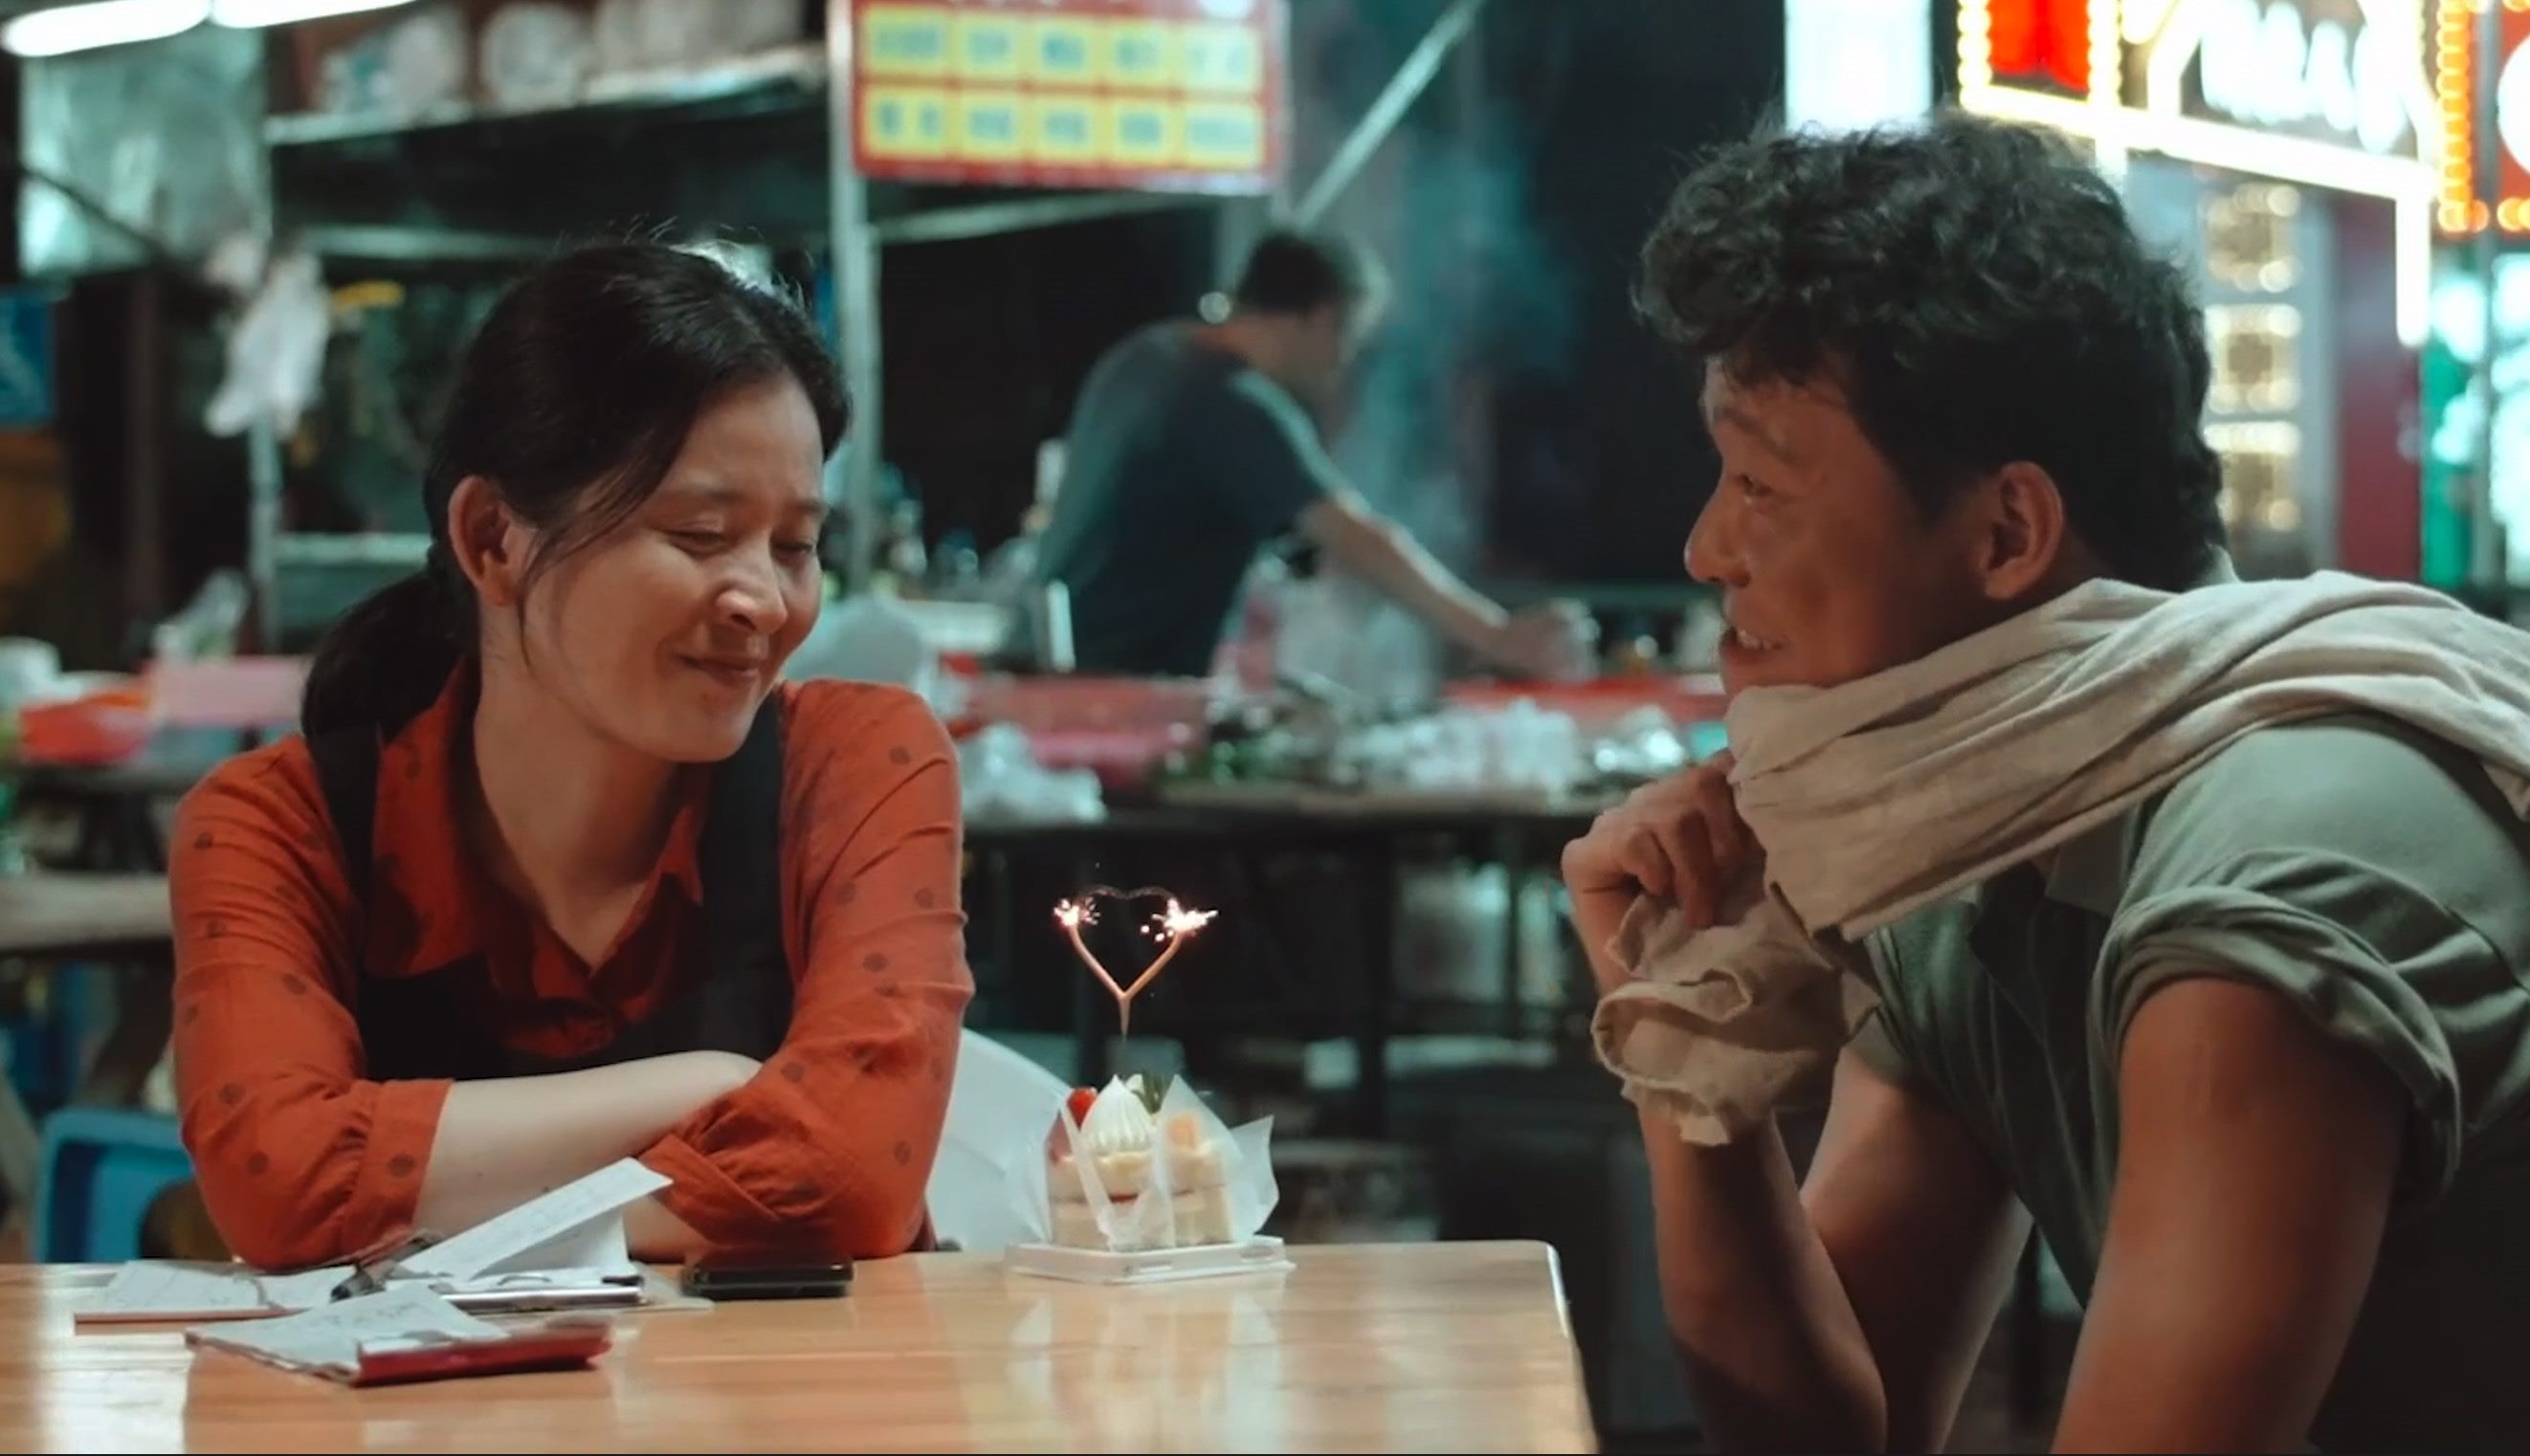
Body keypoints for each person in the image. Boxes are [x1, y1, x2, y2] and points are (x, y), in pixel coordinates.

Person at [1564, 115, 2530, 1454]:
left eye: (1762, 486)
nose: (1706, 548)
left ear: (2008, 531)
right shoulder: (1983, 834)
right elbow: (1841, 1429)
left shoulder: (2278, 868)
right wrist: (1683, 1030)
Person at [169, 243, 972, 1270]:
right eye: (700, 533)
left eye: (794, 547)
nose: (764, 602)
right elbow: (276, 1183)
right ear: (493, 539)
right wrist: (713, 1088)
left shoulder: (858, 764)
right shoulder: (281, 827)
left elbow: (848, 1179)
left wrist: (412, 1210)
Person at [1032, 228, 1588, 680]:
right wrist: (1498, 635)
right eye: (1349, 341)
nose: (1342, 367)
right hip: (1113, 694)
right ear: (1322, 318)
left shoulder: (1148, 355)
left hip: (1048, 671)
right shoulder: (1235, 404)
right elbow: (1357, 537)